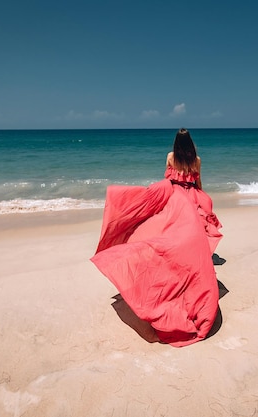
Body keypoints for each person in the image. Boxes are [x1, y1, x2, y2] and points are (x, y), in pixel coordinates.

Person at [90, 128, 223, 347]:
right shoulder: (197, 160)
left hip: (173, 193)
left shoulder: (171, 157)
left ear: (176, 143)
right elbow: (198, 183)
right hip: (190, 195)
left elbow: (167, 178)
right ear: (191, 143)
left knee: (162, 233)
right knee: (191, 238)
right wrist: (199, 199)